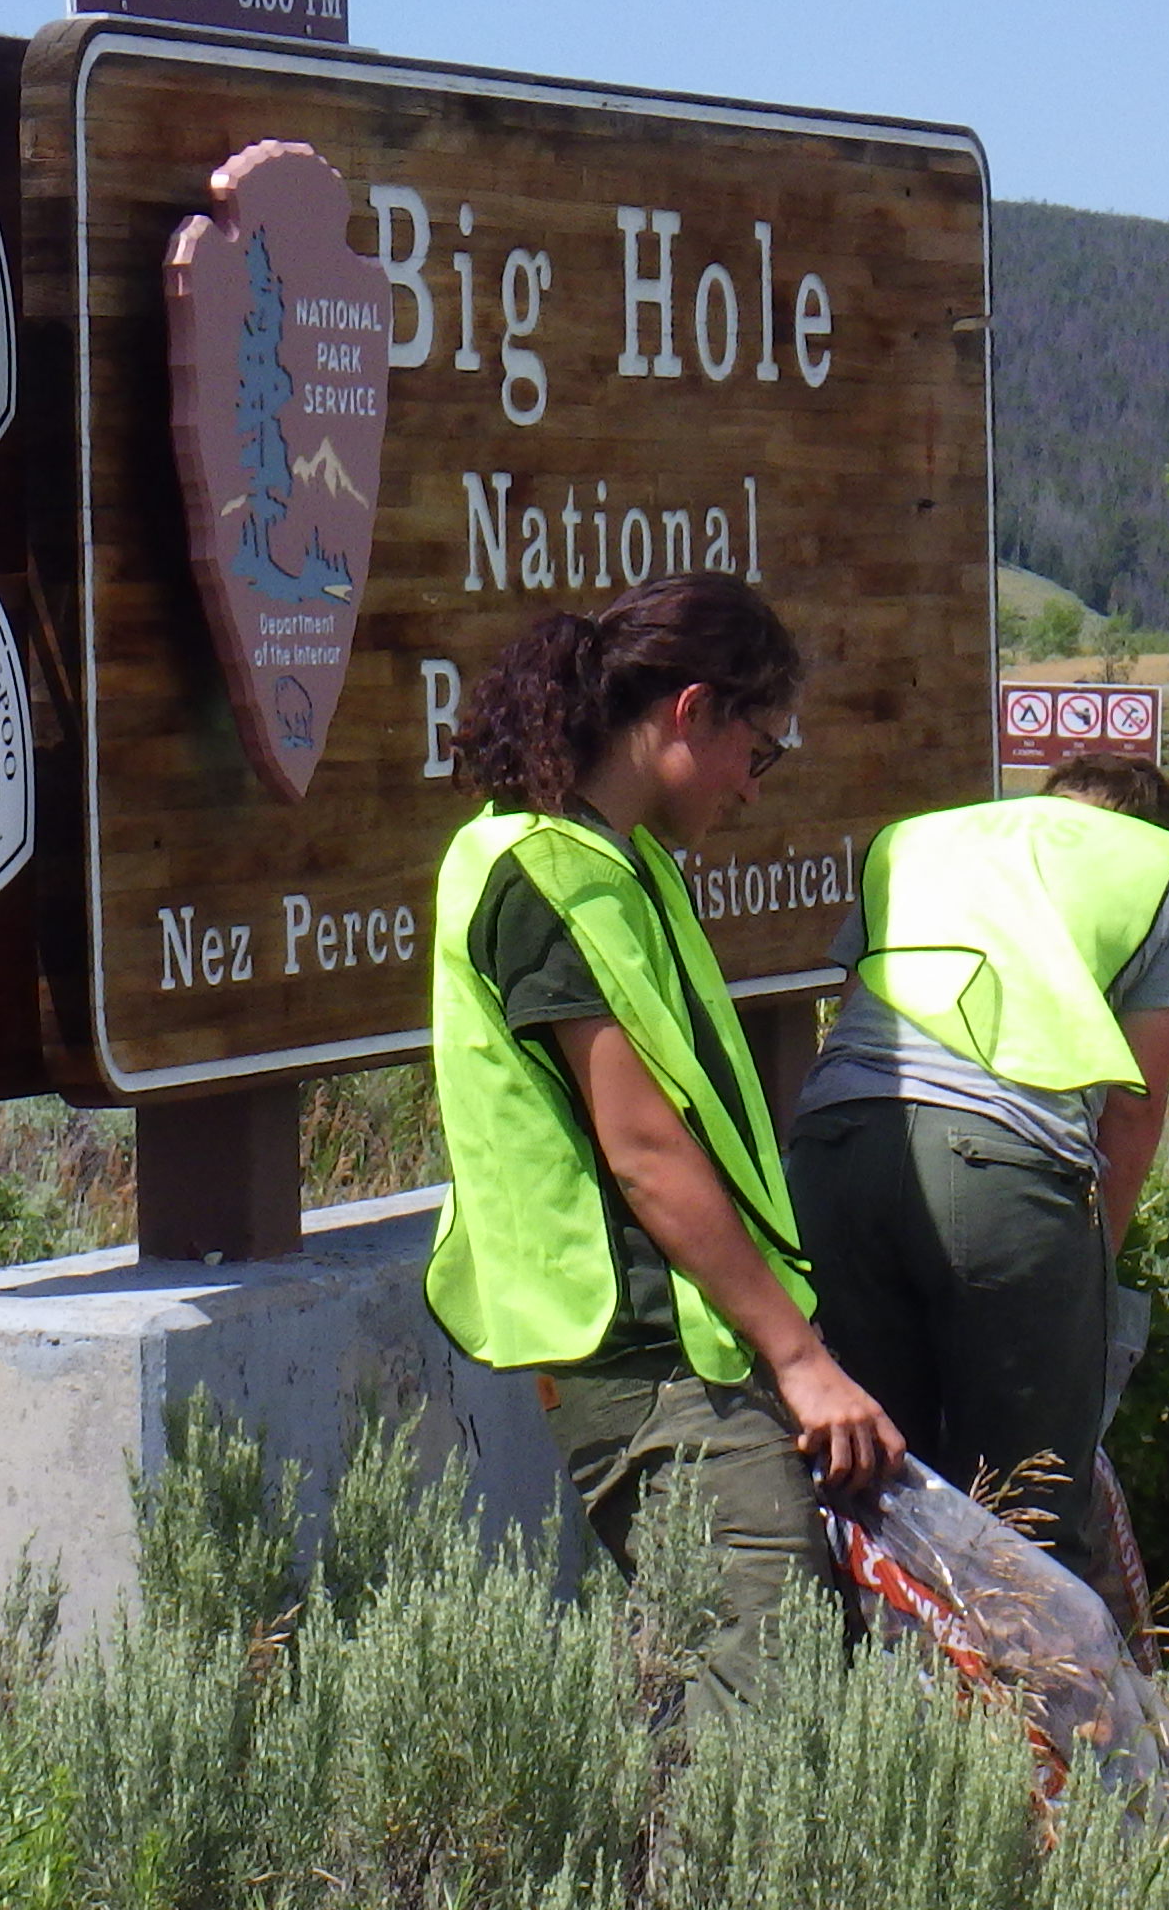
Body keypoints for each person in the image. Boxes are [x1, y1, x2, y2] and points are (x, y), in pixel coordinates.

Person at [423, 573, 904, 1705]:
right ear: (692, 712)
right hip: (652, 1360)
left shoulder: (613, 861)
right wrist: (797, 1356)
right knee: (766, 1720)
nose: (752, 785)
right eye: (760, 748)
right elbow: (641, 1146)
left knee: (726, 1707)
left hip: (679, 1352)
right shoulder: (548, 873)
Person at [781, 753, 1169, 1605]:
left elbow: (855, 1004)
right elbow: (1135, 1107)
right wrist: (1090, 1278)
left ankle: (867, 1709)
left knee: (871, 1482)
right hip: (1004, 1172)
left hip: (835, 1149)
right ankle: (1015, 1731)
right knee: (1026, 1520)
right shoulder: (1162, 874)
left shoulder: (919, 842)